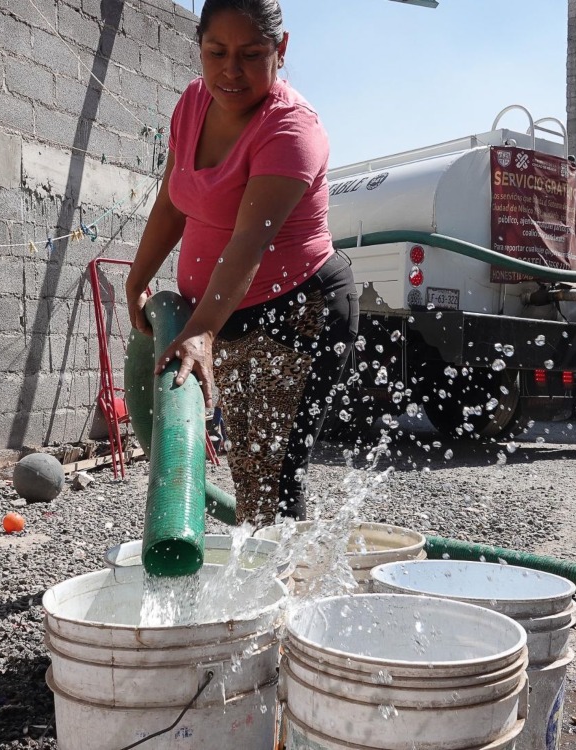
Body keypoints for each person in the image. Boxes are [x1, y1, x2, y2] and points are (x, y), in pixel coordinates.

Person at [124, 0, 357, 525]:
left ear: (281, 49)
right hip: (229, 313)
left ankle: (286, 598)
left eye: (251, 54)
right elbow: (171, 201)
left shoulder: (291, 129)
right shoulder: (192, 103)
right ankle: (270, 583)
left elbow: (250, 240)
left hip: (299, 312)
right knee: (251, 472)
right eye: (216, 52)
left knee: (270, 477)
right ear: (200, 47)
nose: (230, 71)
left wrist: (202, 329)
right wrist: (136, 281)